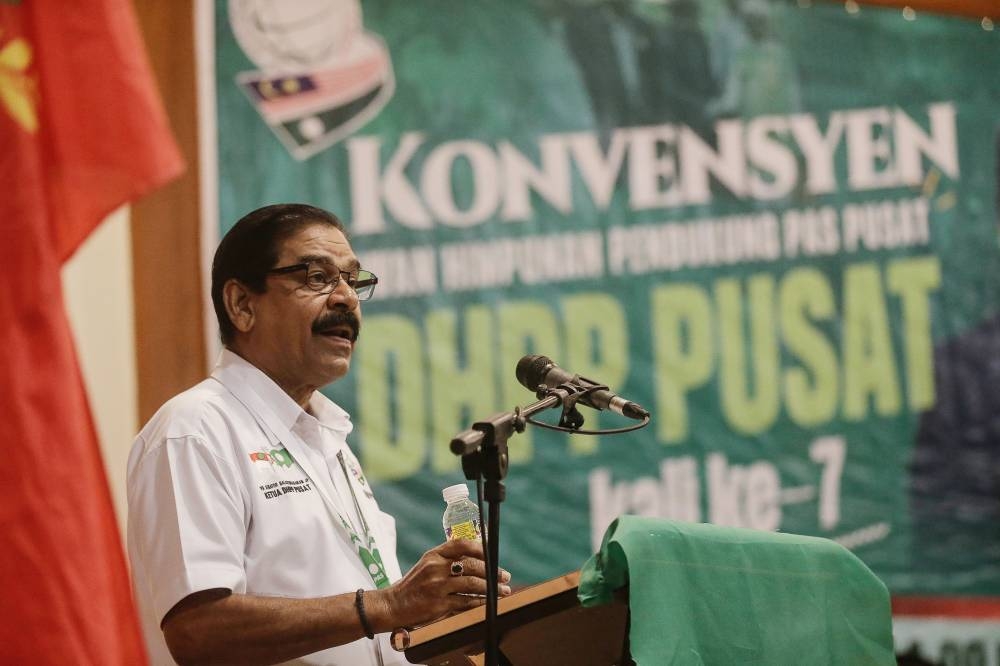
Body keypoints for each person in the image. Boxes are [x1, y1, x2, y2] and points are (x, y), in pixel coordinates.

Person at [126, 203, 511, 665]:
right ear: (242, 305)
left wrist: (436, 620)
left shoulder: (327, 438)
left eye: (354, 279)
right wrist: (390, 604)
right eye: (316, 278)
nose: (346, 298)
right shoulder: (195, 430)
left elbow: (361, 628)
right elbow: (197, 631)